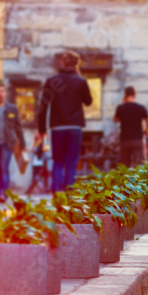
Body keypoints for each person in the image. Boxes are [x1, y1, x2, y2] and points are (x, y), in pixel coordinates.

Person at [35, 51, 93, 193]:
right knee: (72, 161)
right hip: (74, 127)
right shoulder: (81, 82)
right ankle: (69, 191)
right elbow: (88, 102)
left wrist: (42, 130)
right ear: (77, 65)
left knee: (58, 159)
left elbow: (43, 106)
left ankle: (56, 190)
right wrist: (80, 78)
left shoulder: (51, 81)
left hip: (57, 127)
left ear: (62, 63)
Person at [114, 86, 148, 168]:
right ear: (135, 94)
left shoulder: (120, 108)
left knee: (125, 166)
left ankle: (125, 180)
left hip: (124, 140)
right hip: (137, 140)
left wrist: (123, 104)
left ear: (125, 95)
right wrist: (146, 131)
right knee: (139, 166)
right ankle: (138, 180)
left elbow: (115, 120)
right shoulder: (141, 108)